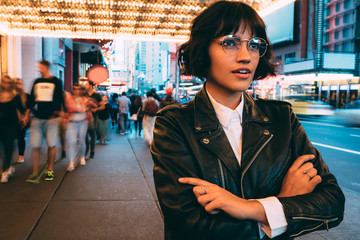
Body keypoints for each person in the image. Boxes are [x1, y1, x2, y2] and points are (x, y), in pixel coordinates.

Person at [151, 2, 345, 240]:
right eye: (229, 43)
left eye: (254, 45)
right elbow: (189, 226)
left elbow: (333, 202)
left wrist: (247, 208)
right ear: (203, 49)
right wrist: (281, 204)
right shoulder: (174, 124)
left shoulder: (281, 118)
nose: (245, 56)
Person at [24, 59, 66, 182]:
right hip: (37, 117)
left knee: (51, 145)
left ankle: (50, 170)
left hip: (51, 118)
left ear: (46, 67)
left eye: (40, 67)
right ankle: (35, 171)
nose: (38, 69)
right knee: (35, 146)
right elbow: (31, 99)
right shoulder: (37, 81)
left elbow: (59, 99)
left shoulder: (56, 81)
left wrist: (59, 114)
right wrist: (27, 113)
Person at [0, 76, 25, 183]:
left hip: (11, 125)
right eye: (5, 82)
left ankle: (5, 171)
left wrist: (24, 118)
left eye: (9, 83)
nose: (7, 84)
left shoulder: (15, 97)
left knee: (8, 147)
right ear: (1, 83)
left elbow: (22, 109)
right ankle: (7, 167)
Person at [64, 85, 94, 171]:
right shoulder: (69, 99)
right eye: (75, 89)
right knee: (71, 142)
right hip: (71, 123)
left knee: (82, 140)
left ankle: (82, 156)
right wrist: (83, 108)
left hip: (82, 122)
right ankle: (71, 163)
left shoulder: (85, 99)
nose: (76, 91)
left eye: (78, 89)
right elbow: (71, 108)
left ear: (81, 91)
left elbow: (94, 105)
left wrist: (88, 105)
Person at [84, 80, 102, 158]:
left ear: (90, 86)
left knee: (92, 134)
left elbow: (102, 106)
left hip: (94, 117)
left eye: (86, 84)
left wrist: (95, 109)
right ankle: (86, 150)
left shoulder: (97, 96)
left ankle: (92, 152)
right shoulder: (84, 95)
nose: (85, 86)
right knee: (85, 134)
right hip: (84, 117)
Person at [14, 78, 30, 164]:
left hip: (22, 120)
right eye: (17, 83)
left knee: (21, 137)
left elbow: (29, 107)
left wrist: (25, 118)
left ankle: (21, 155)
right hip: (12, 120)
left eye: (20, 83)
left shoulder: (26, 96)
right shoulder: (11, 95)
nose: (19, 85)